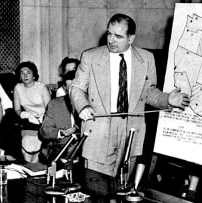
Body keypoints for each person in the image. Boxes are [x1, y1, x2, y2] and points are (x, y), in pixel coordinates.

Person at [70, 13, 190, 200]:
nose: (111, 40)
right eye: (109, 34)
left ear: (131, 38)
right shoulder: (90, 57)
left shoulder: (146, 58)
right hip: (99, 131)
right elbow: (76, 88)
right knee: (97, 193)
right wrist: (83, 106)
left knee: (121, 190)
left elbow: (149, 92)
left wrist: (168, 99)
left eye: (118, 36)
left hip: (131, 133)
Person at [40, 70, 81, 164]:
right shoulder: (55, 104)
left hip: (85, 150)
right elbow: (44, 129)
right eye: (68, 88)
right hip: (60, 150)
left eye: (75, 88)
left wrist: (78, 132)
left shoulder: (92, 105)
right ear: (65, 88)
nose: (72, 92)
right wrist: (60, 132)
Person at [13, 61, 51, 163]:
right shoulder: (18, 87)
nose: (25, 75)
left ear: (34, 75)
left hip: (45, 120)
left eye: (28, 72)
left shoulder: (41, 87)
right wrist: (25, 114)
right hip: (28, 120)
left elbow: (50, 109)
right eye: (22, 73)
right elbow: (17, 109)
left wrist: (41, 118)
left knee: (38, 147)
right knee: (25, 143)